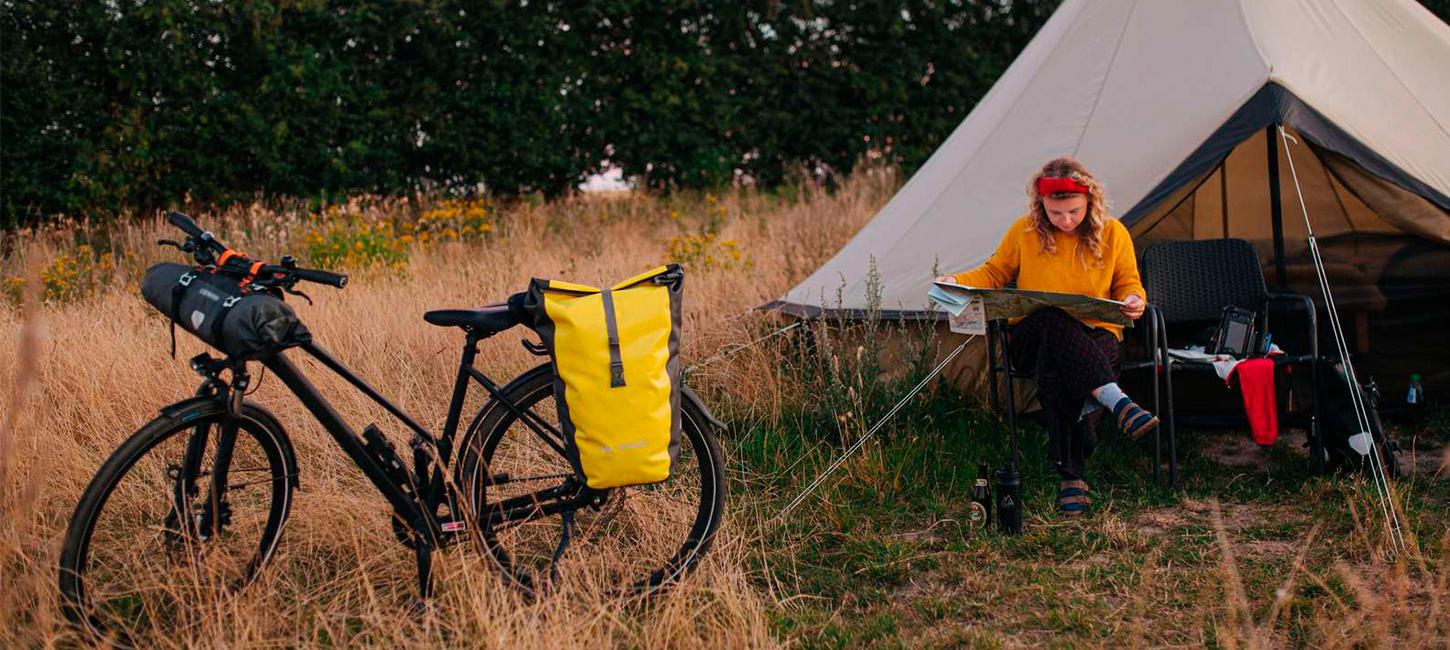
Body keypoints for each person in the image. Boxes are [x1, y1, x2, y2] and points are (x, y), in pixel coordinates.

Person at [935, 157, 1157, 516]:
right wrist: (956, 283)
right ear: (1041, 206)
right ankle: (1118, 402)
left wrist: (1135, 300)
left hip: (1094, 337)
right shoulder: (1024, 232)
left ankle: (1071, 478)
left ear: (1091, 202)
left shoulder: (1114, 233)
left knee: (1058, 368)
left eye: (1074, 211)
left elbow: (1129, 282)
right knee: (1053, 318)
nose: (1066, 220)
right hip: (1031, 337)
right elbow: (993, 272)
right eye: (1056, 213)